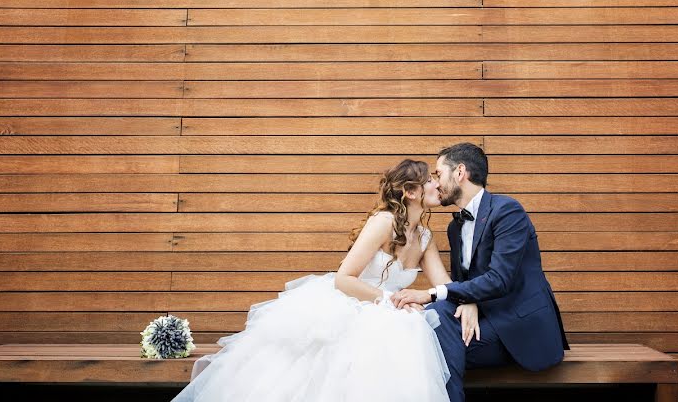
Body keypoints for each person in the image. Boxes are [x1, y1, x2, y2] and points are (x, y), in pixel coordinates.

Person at [171, 158, 464, 402]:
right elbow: (344, 279)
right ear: (411, 192)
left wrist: (468, 301)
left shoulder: (424, 237)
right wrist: (391, 301)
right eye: (430, 180)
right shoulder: (383, 222)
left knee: (408, 337)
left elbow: (445, 285)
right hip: (354, 302)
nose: (438, 184)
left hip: (392, 312)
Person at [392, 142, 570, 402]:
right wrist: (469, 300)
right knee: (435, 318)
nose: (436, 183)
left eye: (439, 174)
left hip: (517, 325)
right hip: (481, 321)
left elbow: (499, 279)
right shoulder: (455, 228)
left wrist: (428, 294)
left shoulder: (507, 211)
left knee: (429, 343)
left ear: (460, 172)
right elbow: (466, 283)